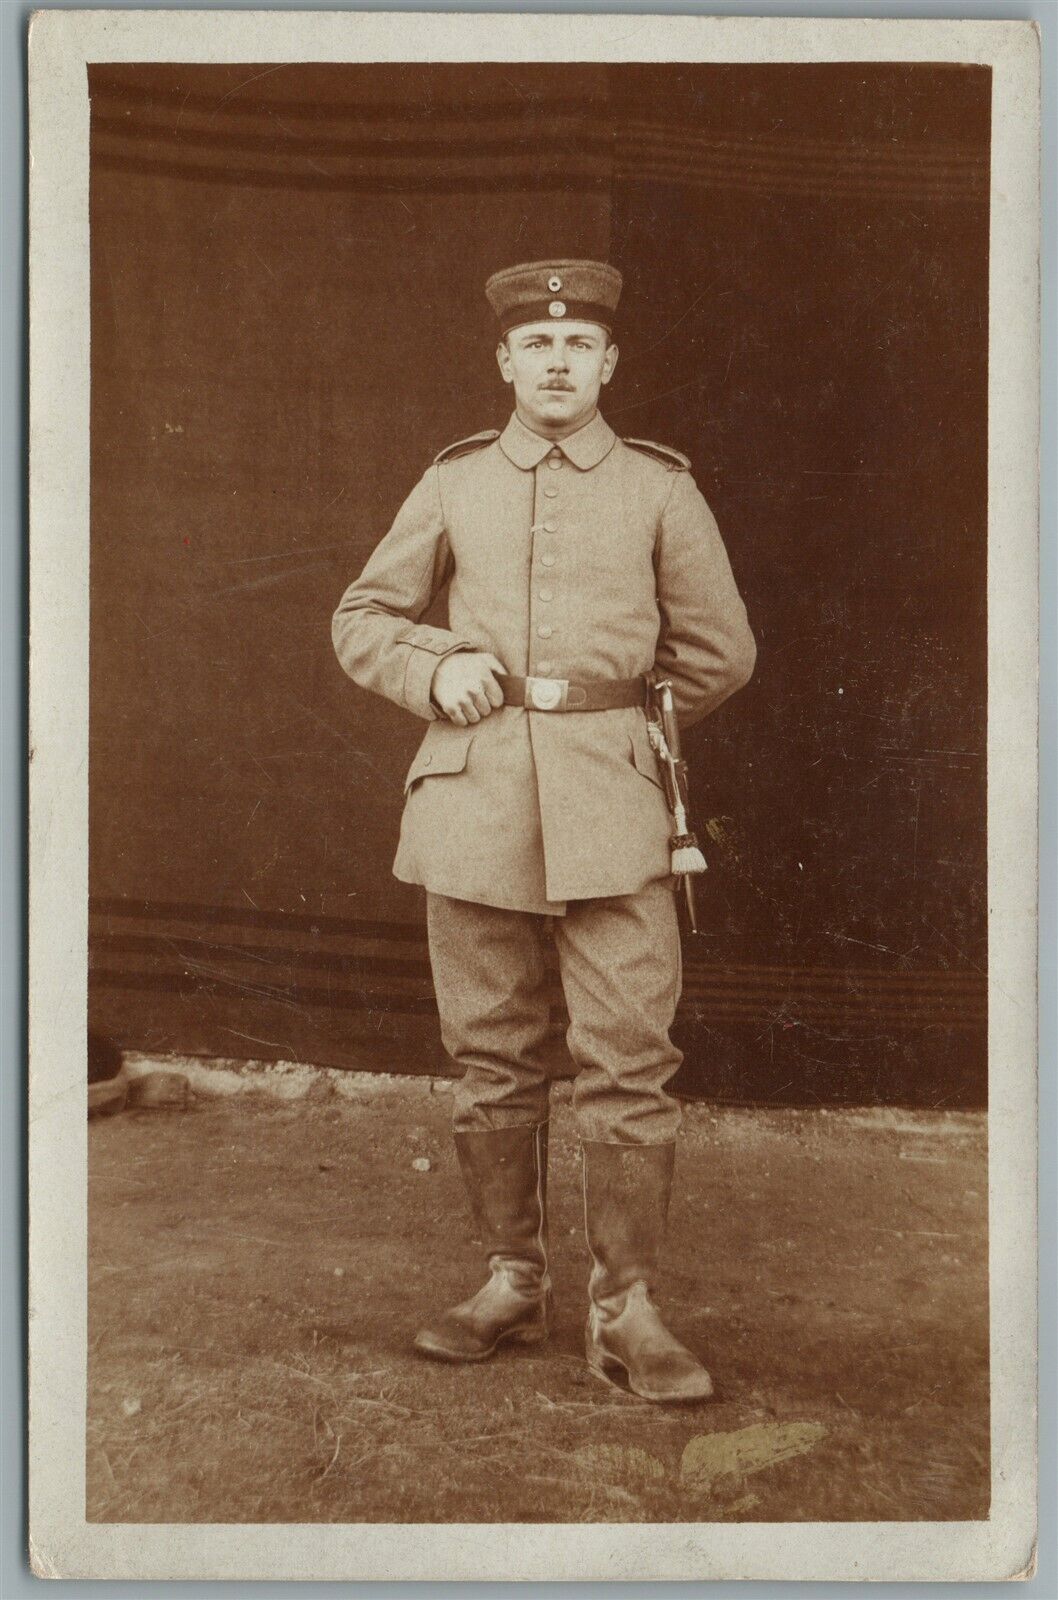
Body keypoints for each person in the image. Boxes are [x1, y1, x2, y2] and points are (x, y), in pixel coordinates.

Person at [332, 259, 755, 1403]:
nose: (557, 362)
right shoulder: (454, 482)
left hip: (617, 816)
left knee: (627, 1059)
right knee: (490, 1059)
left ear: (607, 363)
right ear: (505, 361)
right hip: (471, 808)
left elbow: (718, 653)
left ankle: (626, 1310)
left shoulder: (661, 489)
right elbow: (362, 616)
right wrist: (437, 665)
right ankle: (510, 1281)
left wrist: (618, 726)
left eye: (579, 347)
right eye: (536, 346)